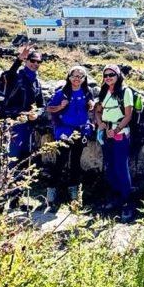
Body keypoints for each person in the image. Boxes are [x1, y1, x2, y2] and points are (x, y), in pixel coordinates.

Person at [93, 64, 138, 221]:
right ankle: (116, 198)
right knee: (110, 167)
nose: (108, 77)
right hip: (107, 135)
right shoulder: (104, 91)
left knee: (121, 168)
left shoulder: (126, 92)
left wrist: (117, 129)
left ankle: (127, 203)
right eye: (105, 75)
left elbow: (128, 116)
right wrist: (100, 123)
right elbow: (97, 111)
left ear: (118, 75)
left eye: (111, 74)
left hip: (120, 135)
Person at [44, 65, 94, 209]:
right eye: (75, 75)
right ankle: (51, 191)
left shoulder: (87, 92)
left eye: (81, 76)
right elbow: (49, 108)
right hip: (65, 131)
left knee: (76, 162)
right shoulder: (62, 93)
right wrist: (60, 106)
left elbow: (91, 107)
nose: (77, 78)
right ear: (69, 77)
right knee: (60, 160)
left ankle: (73, 193)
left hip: (81, 131)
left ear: (84, 79)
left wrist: (91, 106)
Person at [0, 45, 46, 164]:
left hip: (28, 122)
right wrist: (19, 59)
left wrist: (37, 113)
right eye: (32, 61)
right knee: (13, 152)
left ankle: (20, 180)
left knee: (25, 153)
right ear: (26, 61)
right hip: (14, 120)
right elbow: (8, 75)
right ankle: (7, 179)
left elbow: (42, 104)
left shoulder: (37, 82)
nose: (35, 64)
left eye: (38, 62)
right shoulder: (16, 77)